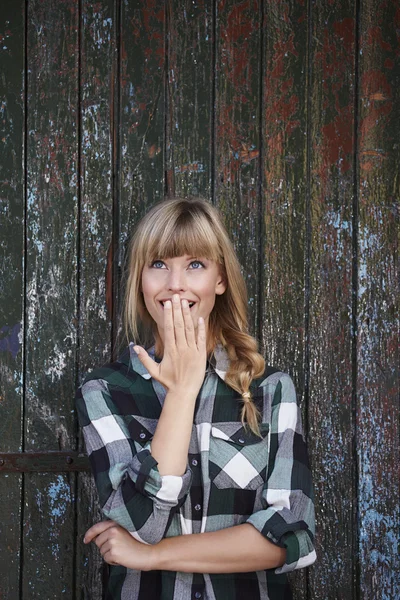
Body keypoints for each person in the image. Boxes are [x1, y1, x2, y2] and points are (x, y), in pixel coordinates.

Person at [75, 197, 316, 600]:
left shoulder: (271, 389)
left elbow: (291, 539)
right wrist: (183, 392)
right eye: (158, 265)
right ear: (140, 280)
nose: (175, 284)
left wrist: (152, 556)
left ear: (219, 280)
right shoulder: (105, 391)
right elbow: (142, 523)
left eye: (195, 265)